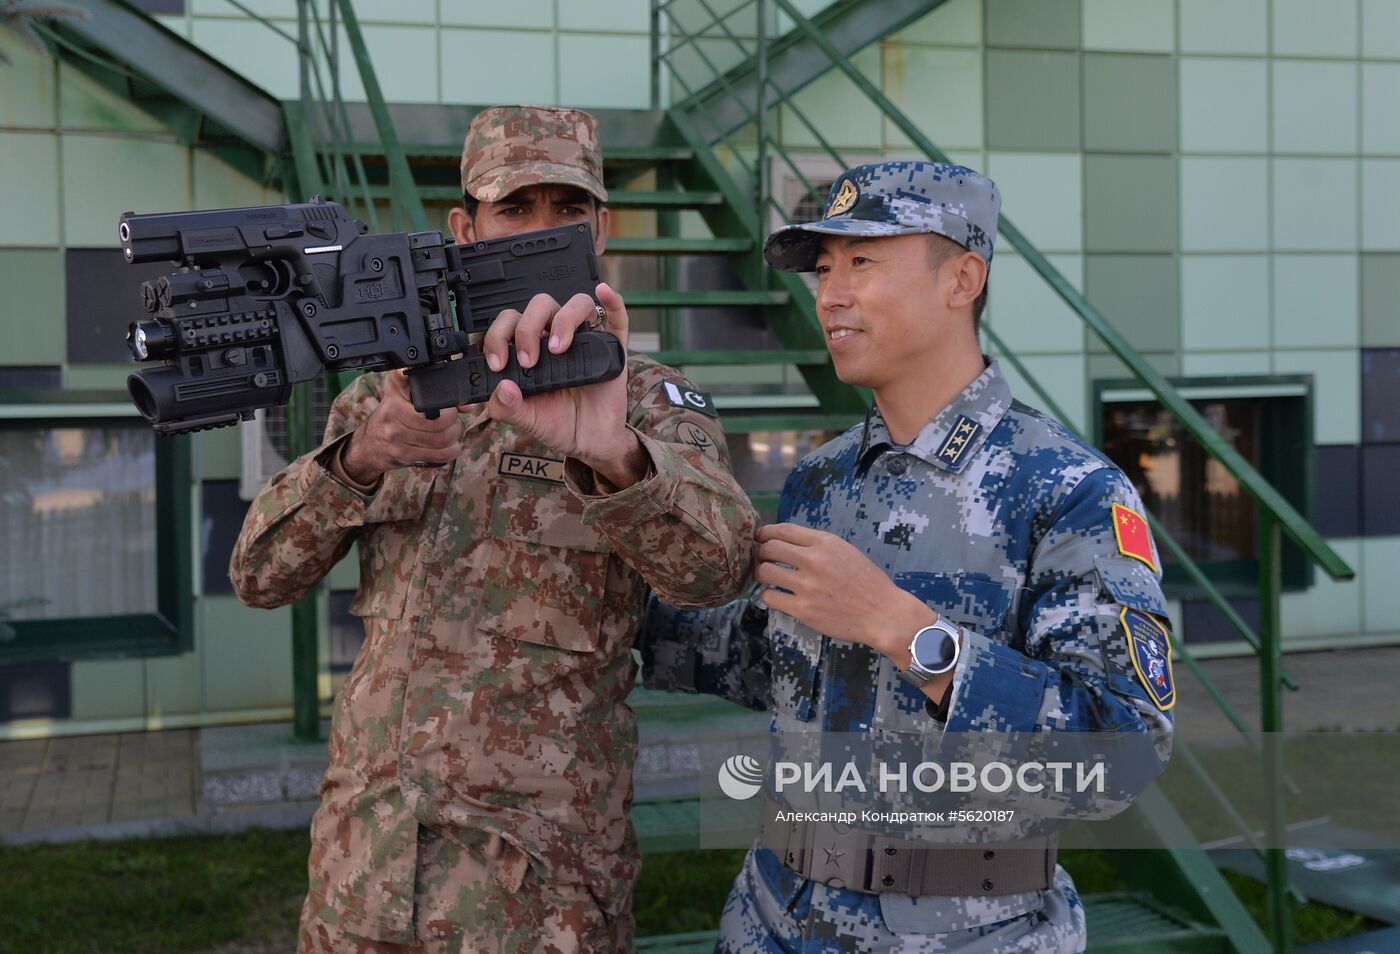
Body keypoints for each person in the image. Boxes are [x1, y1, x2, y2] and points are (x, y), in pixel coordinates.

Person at [229, 105, 758, 953]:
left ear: (603, 230)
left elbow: (716, 566)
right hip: (362, 882)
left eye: (567, 210)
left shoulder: (647, 400)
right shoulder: (387, 395)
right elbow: (257, 573)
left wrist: (614, 452)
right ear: (464, 230)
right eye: (515, 210)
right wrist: (364, 457)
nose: (539, 234)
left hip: (538, 903)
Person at [639, 161, 1175, 952]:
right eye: (824, 269)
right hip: (772, 922)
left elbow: (1119, 752)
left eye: (864, 262)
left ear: (962, 279)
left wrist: (909, 633)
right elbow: (773, 665)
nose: (830, 293)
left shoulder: (1066, 489)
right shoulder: (822, 477)